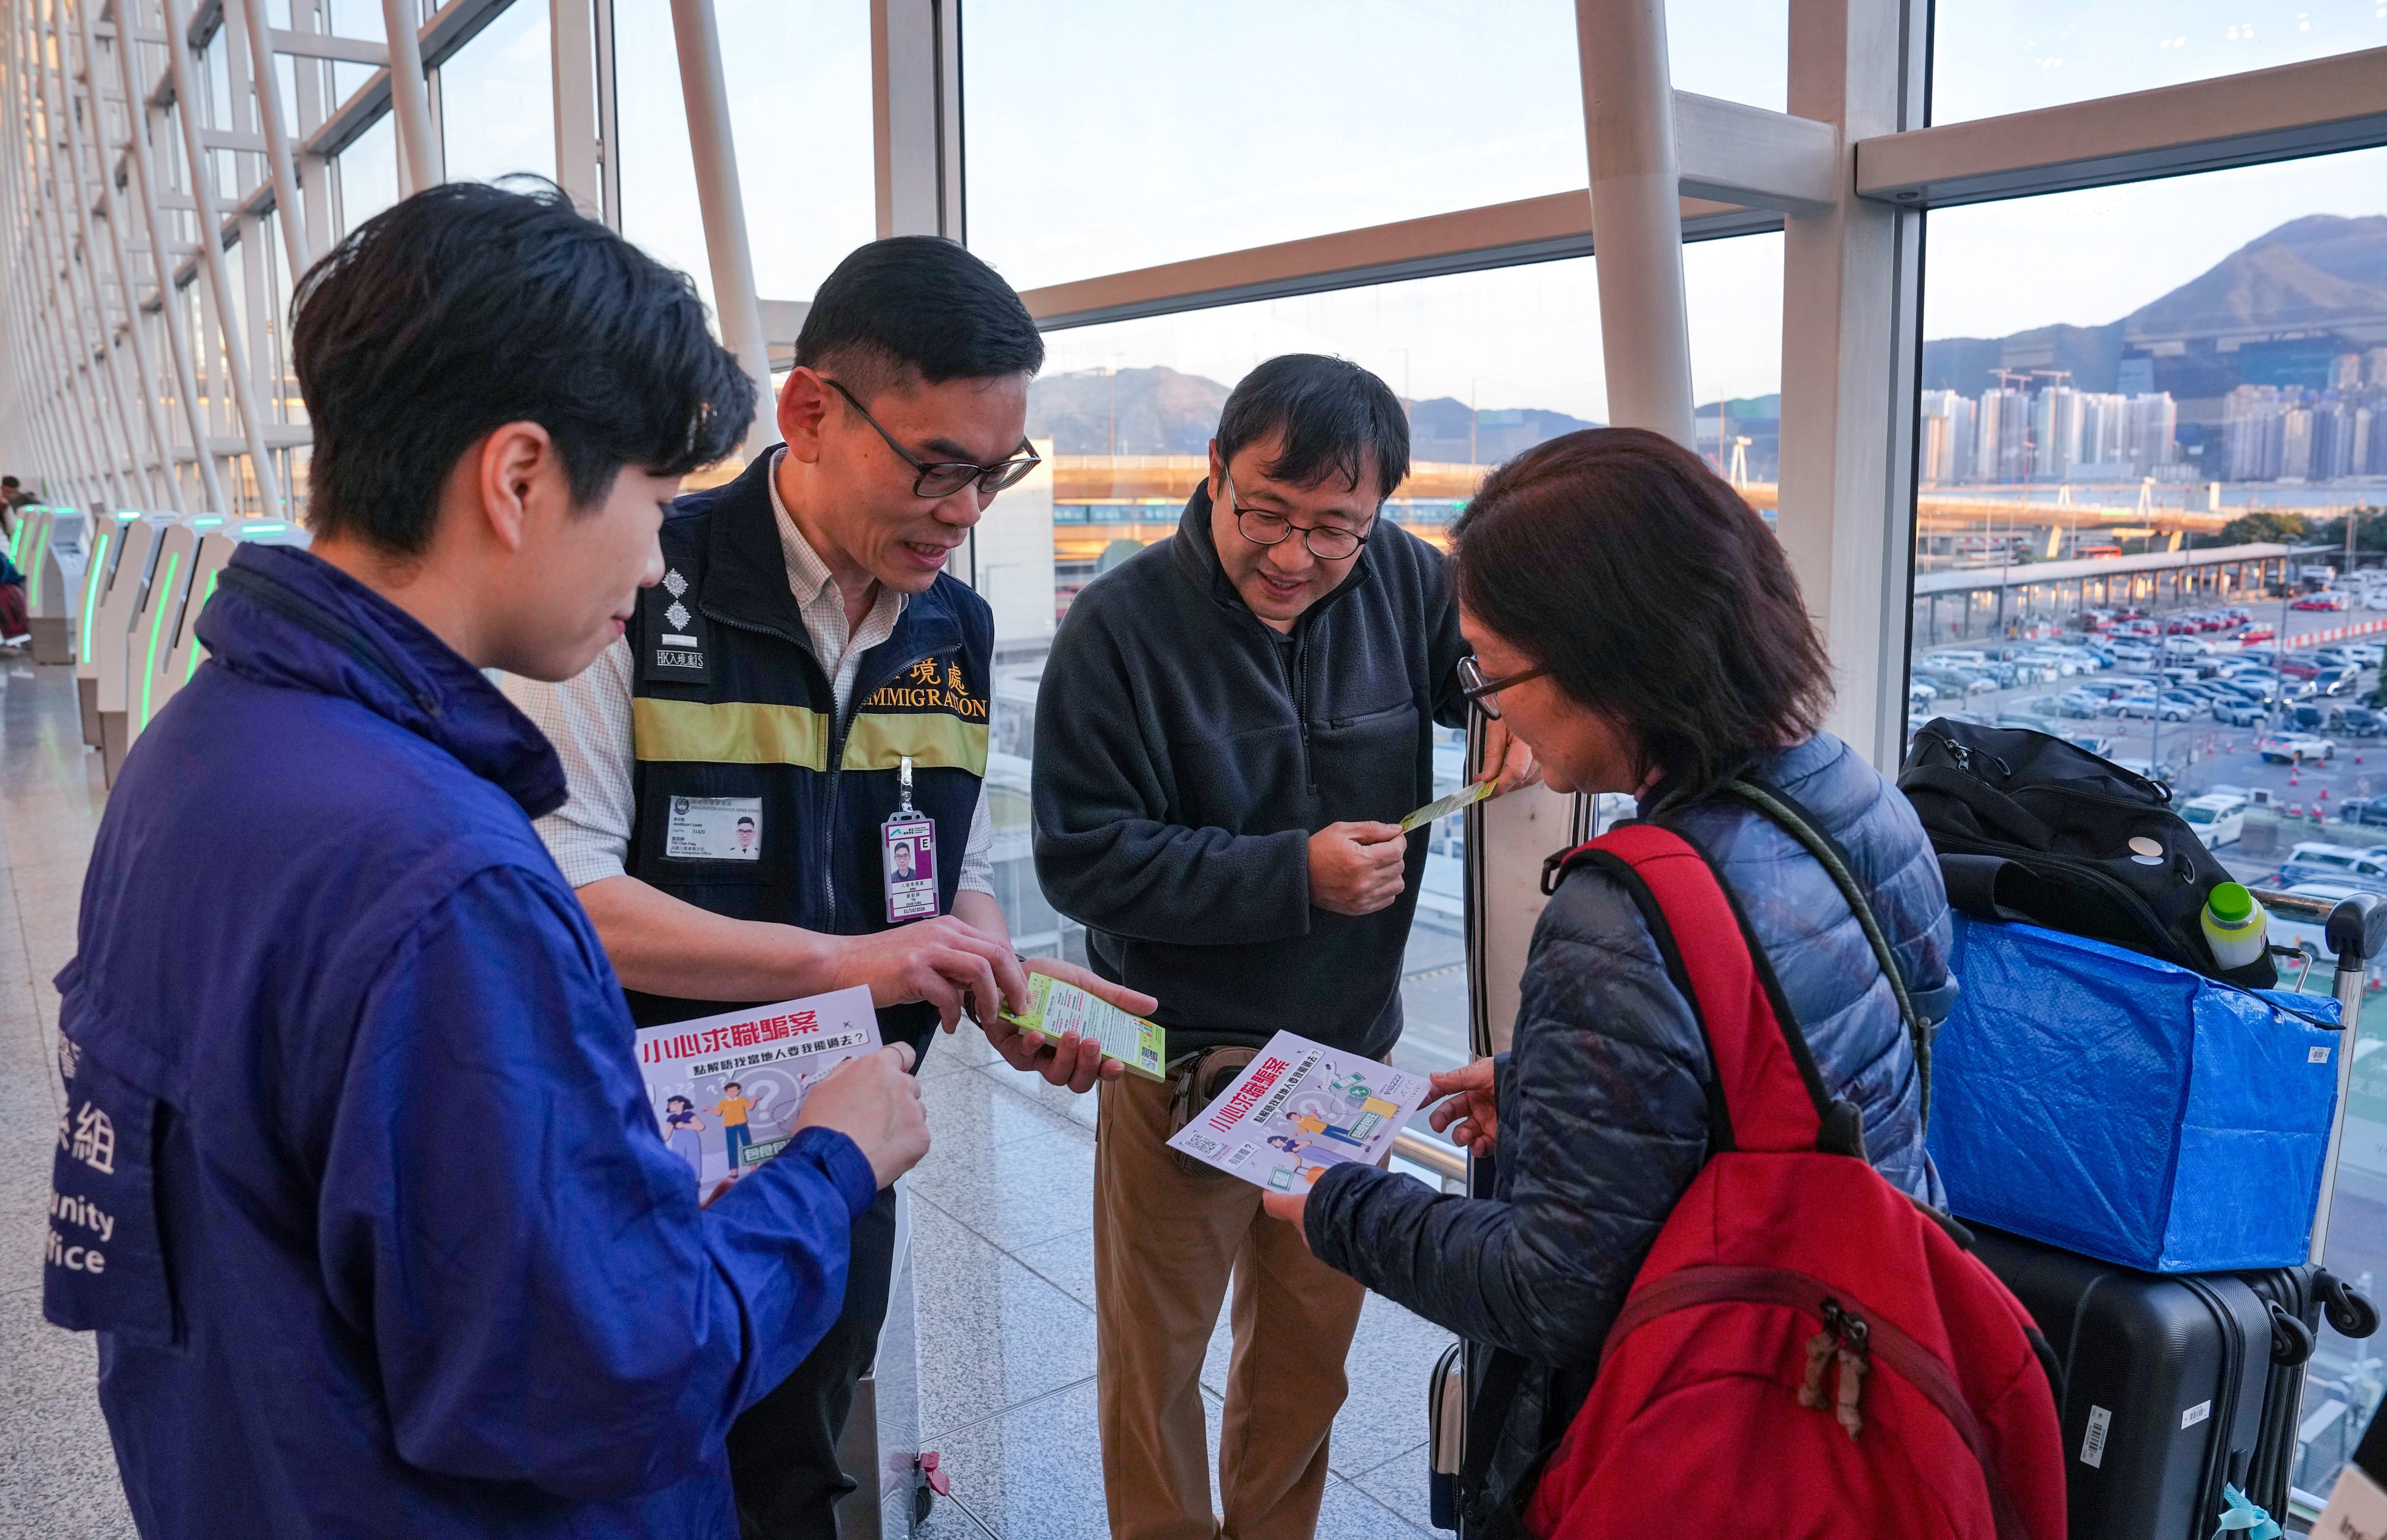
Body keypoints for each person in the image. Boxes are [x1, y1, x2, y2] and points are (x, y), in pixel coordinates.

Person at [42, 180, 935, 1538]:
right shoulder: (445, 880)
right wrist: (830, 1160)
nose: (650, 564)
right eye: (649, 498)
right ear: (519, 479)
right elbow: (614, 1373)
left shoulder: (198, 751)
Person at [501, 234, 1153, 1539]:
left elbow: (950, 861)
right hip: (644, 1147)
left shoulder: (949, 629)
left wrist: (986, 963)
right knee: (650, 1464)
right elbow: (566, 892)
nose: (964, 511)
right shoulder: (639, 580)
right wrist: (856, 964)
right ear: (809, 411)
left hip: (848, 1133)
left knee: (802, 1456)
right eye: (936, 468)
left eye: (995, 475)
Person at [1266, 428, 1951, 1528]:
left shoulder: (1621, 908)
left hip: (1694, 1420)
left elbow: (1554, 1288)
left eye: (1494, 667)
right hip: (1855, 1352)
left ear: (1609, 657)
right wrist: (1551, 1084)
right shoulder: (1856, 793)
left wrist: (1338, 1205)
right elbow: (1823, 1066)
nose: (1491, 707)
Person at [1030, 353, 1532, 1540]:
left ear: (1379, 518)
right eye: (1266, 511)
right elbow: (1079, 860)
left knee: (1305, 1363)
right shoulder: (1116, 627)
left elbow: (1479, 665)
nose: (1294, 554)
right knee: (1152, 1365)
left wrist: (1506, 699)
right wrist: (1289, 875)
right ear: (1213, 472)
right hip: (1169, 1053)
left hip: (1338, 1059)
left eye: (1334, 528)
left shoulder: (1403, 581)